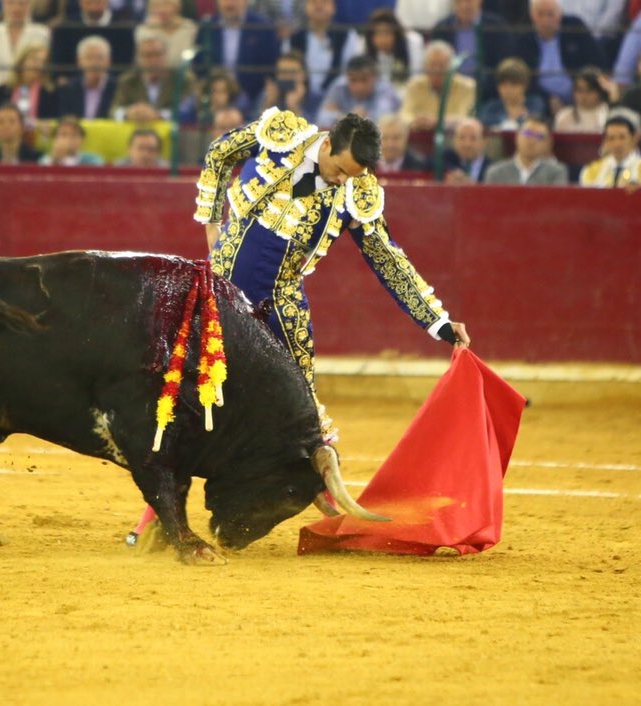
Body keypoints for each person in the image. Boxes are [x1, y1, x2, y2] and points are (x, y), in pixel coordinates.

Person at [127, 109, 469, 546]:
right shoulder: (281, 135)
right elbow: (219, 153)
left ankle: (324, 494)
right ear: (326, 144)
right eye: (340, 170)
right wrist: (212, 227)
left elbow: (388, 260)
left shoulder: (356, 194)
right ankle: (154, 520)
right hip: (218, 299)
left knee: (301, 415)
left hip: (279, 311)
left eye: (353, 175)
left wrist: (438, 322)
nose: (343, 181)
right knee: (184, 403)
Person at [510, 0, 606, 116]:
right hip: (542, 99)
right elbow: (524, 78)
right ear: (532, 16)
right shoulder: (524, 39)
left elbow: (597, 62)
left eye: (550, 14)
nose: (545, 20)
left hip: (579, 92)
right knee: (533, 104)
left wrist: (579, 91)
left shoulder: (574, 27)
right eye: (540, 14)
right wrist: (548, 98)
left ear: (560, 15)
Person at [195, 0, 279, 105]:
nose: (229, 3)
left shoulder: (263, 27)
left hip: (253, 97)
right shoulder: (207, 26)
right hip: (213, 97)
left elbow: (271, 67)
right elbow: (198, 63)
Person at [288, 0, 361, 108]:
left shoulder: (348, 36)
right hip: (300, 100)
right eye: (314, 2)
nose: (319, 5)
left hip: (338, 102)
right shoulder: (294, 38)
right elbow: (287, 69)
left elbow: (353, 71)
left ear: (334, 7)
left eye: (324, 2)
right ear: (306, 6)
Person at [109, 33, 194, 121]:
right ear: (138, 59)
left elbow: (188, 110)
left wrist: (158, 115)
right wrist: (127, 113)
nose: (153, 61)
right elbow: (114, 111)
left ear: (166, 56)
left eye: (157, 55)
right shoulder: (128, 81)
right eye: (148, 55)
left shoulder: (182, 80)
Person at [429, 0, 513, 85]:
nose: (464, 5)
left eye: (469, 1)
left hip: (489, 91)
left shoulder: (497, 27)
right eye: (459, 1)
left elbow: (505, 64)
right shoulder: (441, 29)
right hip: (450, 90)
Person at [400, 40, 476, 130]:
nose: (437, 70)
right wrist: (416, 121)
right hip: (420, 136)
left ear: (453, 68)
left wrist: (437, 122)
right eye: (432, 65)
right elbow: (404, 116)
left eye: (442, 65)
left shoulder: (467, 86)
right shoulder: (414, 85)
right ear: (424, 66)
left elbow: (466, 118)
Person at [0, 0, 51, 94]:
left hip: (30, 93)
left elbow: (43, 70)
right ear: (2, 4)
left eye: (22, 3)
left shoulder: (42, 33)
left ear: (29, 5)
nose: (16, 8)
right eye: (11, 3)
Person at [315, 54, 400, 127]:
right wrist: (346, 117)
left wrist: (345, 119)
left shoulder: (384, 89)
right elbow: (321, 119)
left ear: (375, 77)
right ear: (347, 78)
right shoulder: (339, 87)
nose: (359, 86)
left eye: (364, 80)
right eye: (353, 80)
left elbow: (384, 118)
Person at [484, 115, 570, 184]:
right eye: (527, 133)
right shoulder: (496, 172)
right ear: (517, 137)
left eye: (538, 136)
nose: (531, 140)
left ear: (547, 144)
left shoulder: (556, 172)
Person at [0, 43, 58, 127]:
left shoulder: (50, 93)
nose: (38, 65)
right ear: (22, 61)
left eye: (43, 62)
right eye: (35, 60)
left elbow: (50, 122)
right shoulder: (3, 90)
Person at [55, 35, 117, 120]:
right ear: (79, 62)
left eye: (99, 58)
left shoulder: (118, 88)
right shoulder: (68, 89)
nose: (94, 63)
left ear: (109, 62)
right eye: (89, 58)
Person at [362, 8, 424, 91]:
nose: (383, 40)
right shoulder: (365, 48)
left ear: (396, 34)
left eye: (387, 33)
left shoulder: (413, 42)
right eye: (378, 34)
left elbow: (416, 78)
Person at [477, 56, 546, 129]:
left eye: (514, 84)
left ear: (525, 85)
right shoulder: (491, 108)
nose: (508, 89)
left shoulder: (535, 104)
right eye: (503, 84)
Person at [579, 111, 641, 189]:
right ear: (605, 141)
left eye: (622, 137)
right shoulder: (591, 170)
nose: (617, 144)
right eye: (611, 138)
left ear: (634, 138)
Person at [250, 49, 314, 121]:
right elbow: (251, 125)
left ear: (304, 75)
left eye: (292, 72)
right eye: (283, 72)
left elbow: (317, 127)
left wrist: (294, 108)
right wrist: (268, 104)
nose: (287, 77)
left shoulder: (315, 98)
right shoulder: (268, 95)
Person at [134, 0, 197, 68]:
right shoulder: (144, 29)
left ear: (177, 6)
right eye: (156, 5)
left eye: (167, 4)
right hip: (155, 73)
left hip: (184, 74)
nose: (162, 9)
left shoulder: (190, 28)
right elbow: (141, 61)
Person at [177, 68, 249, 124]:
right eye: (214, 91)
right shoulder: (196, 111)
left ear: (230, 94)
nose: (217, 96)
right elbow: (180, 116)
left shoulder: (235, 116)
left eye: (222, 91)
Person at [553, 66, 614, 132]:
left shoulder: (610, 115)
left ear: (599, 92)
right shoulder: (563, 117)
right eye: (579, 90)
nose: (584, 95)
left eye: (589, 90)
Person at [38, 114, 104, 165]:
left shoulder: (93, 160)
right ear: (55, 139)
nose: (68, 139)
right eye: (64, 134)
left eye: (74, 135)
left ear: (82, 140)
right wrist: (56, 159)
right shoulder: (46, 160)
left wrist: (64, 159)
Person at [442, 116, 490, 183]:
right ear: (454, 140)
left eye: (473, 138)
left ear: (484, 142)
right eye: (461, 138)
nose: (467, 144)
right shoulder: (444, 160)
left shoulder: (493, 169)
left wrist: (473, 187)